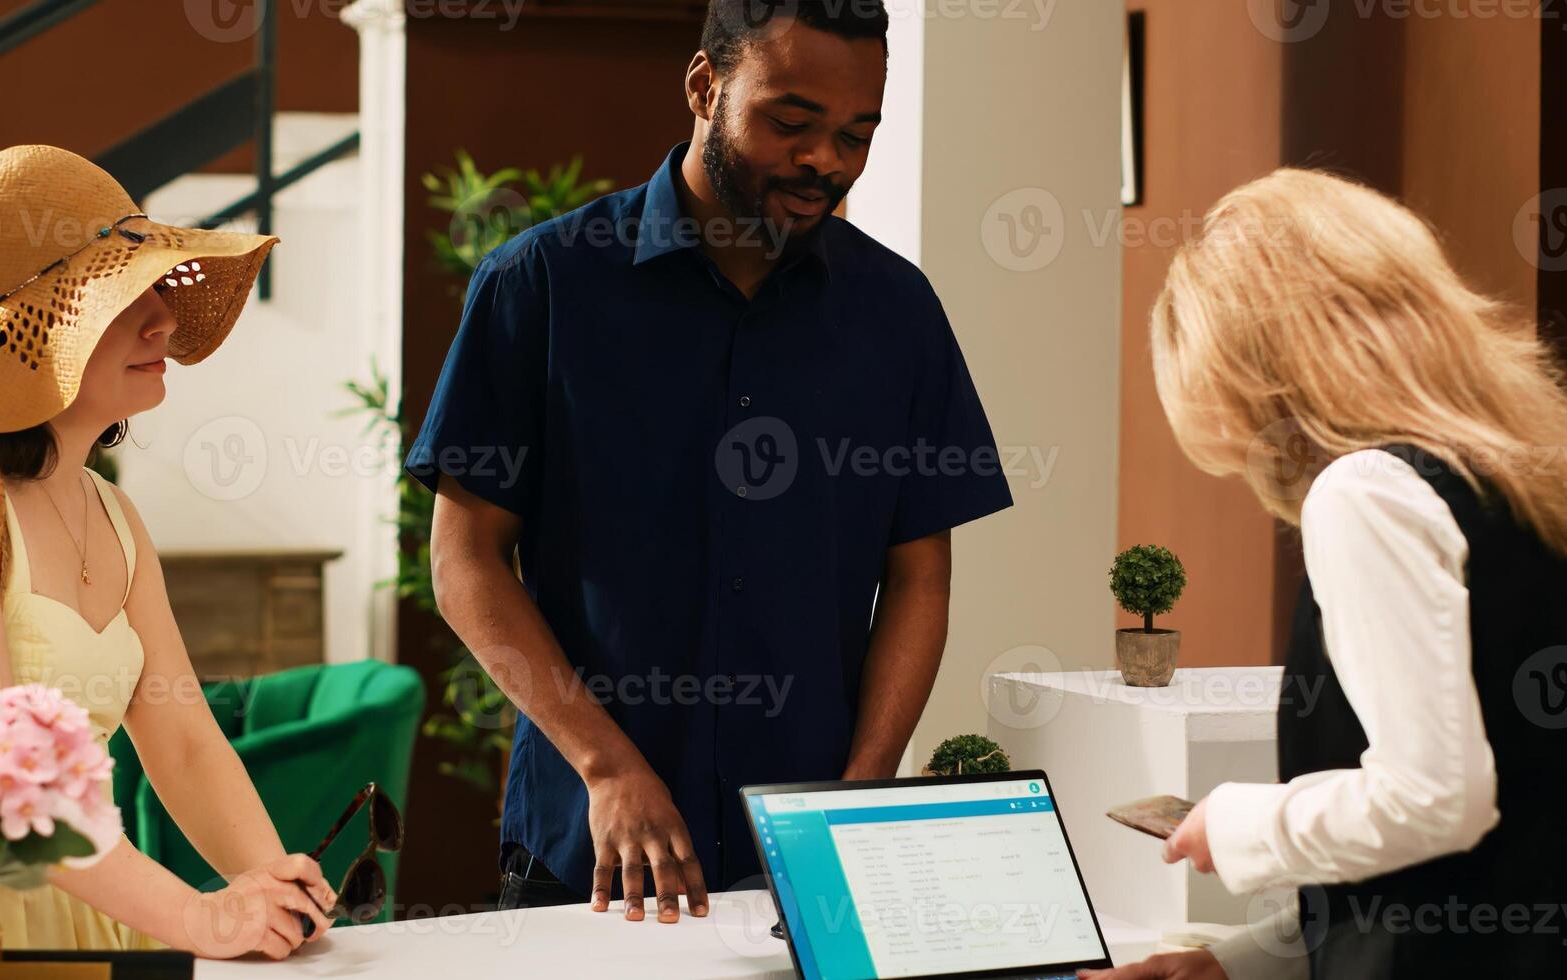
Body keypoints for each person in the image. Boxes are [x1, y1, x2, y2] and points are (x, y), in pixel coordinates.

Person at [410, 0, 1013, 923]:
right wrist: (606, 766)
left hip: (807, 862)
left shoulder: (900, 313)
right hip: (590, 856)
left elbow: (919, 575)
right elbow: (464, 562)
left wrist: (860, 791)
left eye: (858, 134)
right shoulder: (541, 287)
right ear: (704, 85)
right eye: (791, 122)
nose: (827, 161)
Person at [0, 145, 338, 959]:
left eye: (157, 288)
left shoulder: (114, 511)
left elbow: (183, 740)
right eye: (123, 294)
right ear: (33, 330)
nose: (163, 319)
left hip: (99, 919)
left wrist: (274, 889)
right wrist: (200, 918)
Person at [1081, 169, 1567, 978]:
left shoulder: (1367, 491)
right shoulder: (1525, 483)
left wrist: (1240, 822)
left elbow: (1436, 800)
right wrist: (1236, 963)